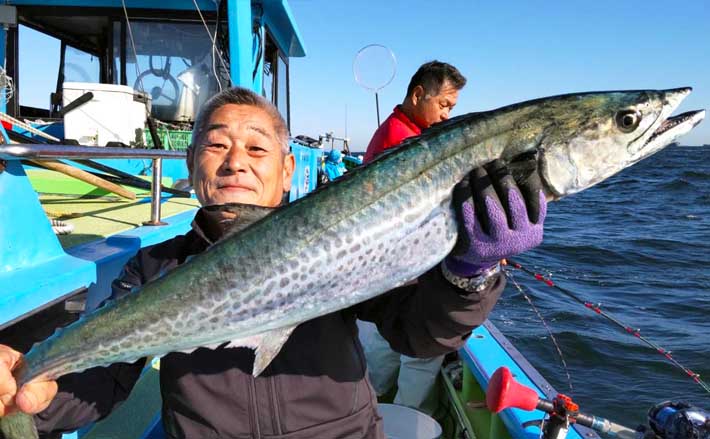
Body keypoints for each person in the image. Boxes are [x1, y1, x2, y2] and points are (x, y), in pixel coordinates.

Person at [0, 86, 546, 438]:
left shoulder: (342, 236)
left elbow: (417, 335)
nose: (236, 159)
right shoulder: (154, 265)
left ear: (288, 172)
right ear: (192, 168)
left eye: (257, 149)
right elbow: (106, 376)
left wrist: (471, 275)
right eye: (216, 146)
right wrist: (40, 401)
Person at [360, 60, 469, 413]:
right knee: (420, 357)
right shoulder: (403, 143)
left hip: (383, 273)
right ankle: (407, 418)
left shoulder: (397, 130)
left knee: (381, 347)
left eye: (452, 108)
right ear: (419, 94)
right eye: (443, 105)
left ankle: (373, 406)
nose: (446, 117)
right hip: (407, 272)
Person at [363, 60, 466, 163]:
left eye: (450, 109)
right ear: (417, 95)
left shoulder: (400, 125)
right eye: (442, 105)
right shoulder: (401, 141)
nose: (446, 116)